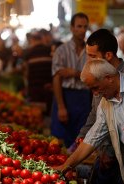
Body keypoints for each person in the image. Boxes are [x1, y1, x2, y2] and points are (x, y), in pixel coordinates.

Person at [77, 28, 124, 184]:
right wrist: (82, 136)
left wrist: (108, 151)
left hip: (122, 156)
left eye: (93, 56)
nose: (89, 61)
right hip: (102, 152)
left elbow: (123, 121)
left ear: (108, 55)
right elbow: (95, 113)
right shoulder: (96, 75)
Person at [51, 12, 92, 148]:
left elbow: (93, 78)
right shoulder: (61, 51)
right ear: (72, 28)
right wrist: (61, 106)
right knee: (60, 141)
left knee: (81, 139)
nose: (82, 30)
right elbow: (57, 79)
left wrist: (74, 73)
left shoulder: (91, 52)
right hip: (65, 96)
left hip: (84, 98)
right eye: (79, 26)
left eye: (85, 27)